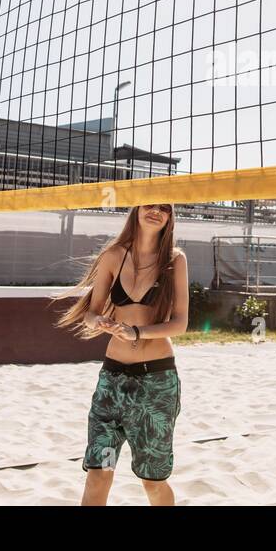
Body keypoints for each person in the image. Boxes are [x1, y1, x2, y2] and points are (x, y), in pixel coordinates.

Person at [58, 203, 189, 506]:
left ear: (170, 217)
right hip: (112, 384)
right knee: (99, 472)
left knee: (152, 481)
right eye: (149, 205)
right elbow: (91, 313)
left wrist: (138, 332)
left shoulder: (174, 260)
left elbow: (180, 323)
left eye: (164, 208)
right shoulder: (113, 256)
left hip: (155, 384)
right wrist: (99, 321)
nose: (155, 212)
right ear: (136, 209)